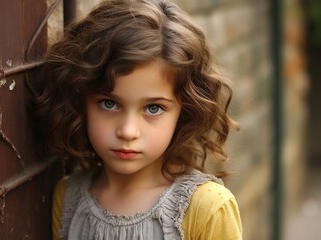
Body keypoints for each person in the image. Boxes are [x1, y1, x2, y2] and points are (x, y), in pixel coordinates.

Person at [32, 0, 242, 239]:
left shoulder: (206, 207)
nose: (128, 131)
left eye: (153, 108)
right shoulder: (68, 197)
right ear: (81, 102)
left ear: (184, 112)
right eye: (109, 104)